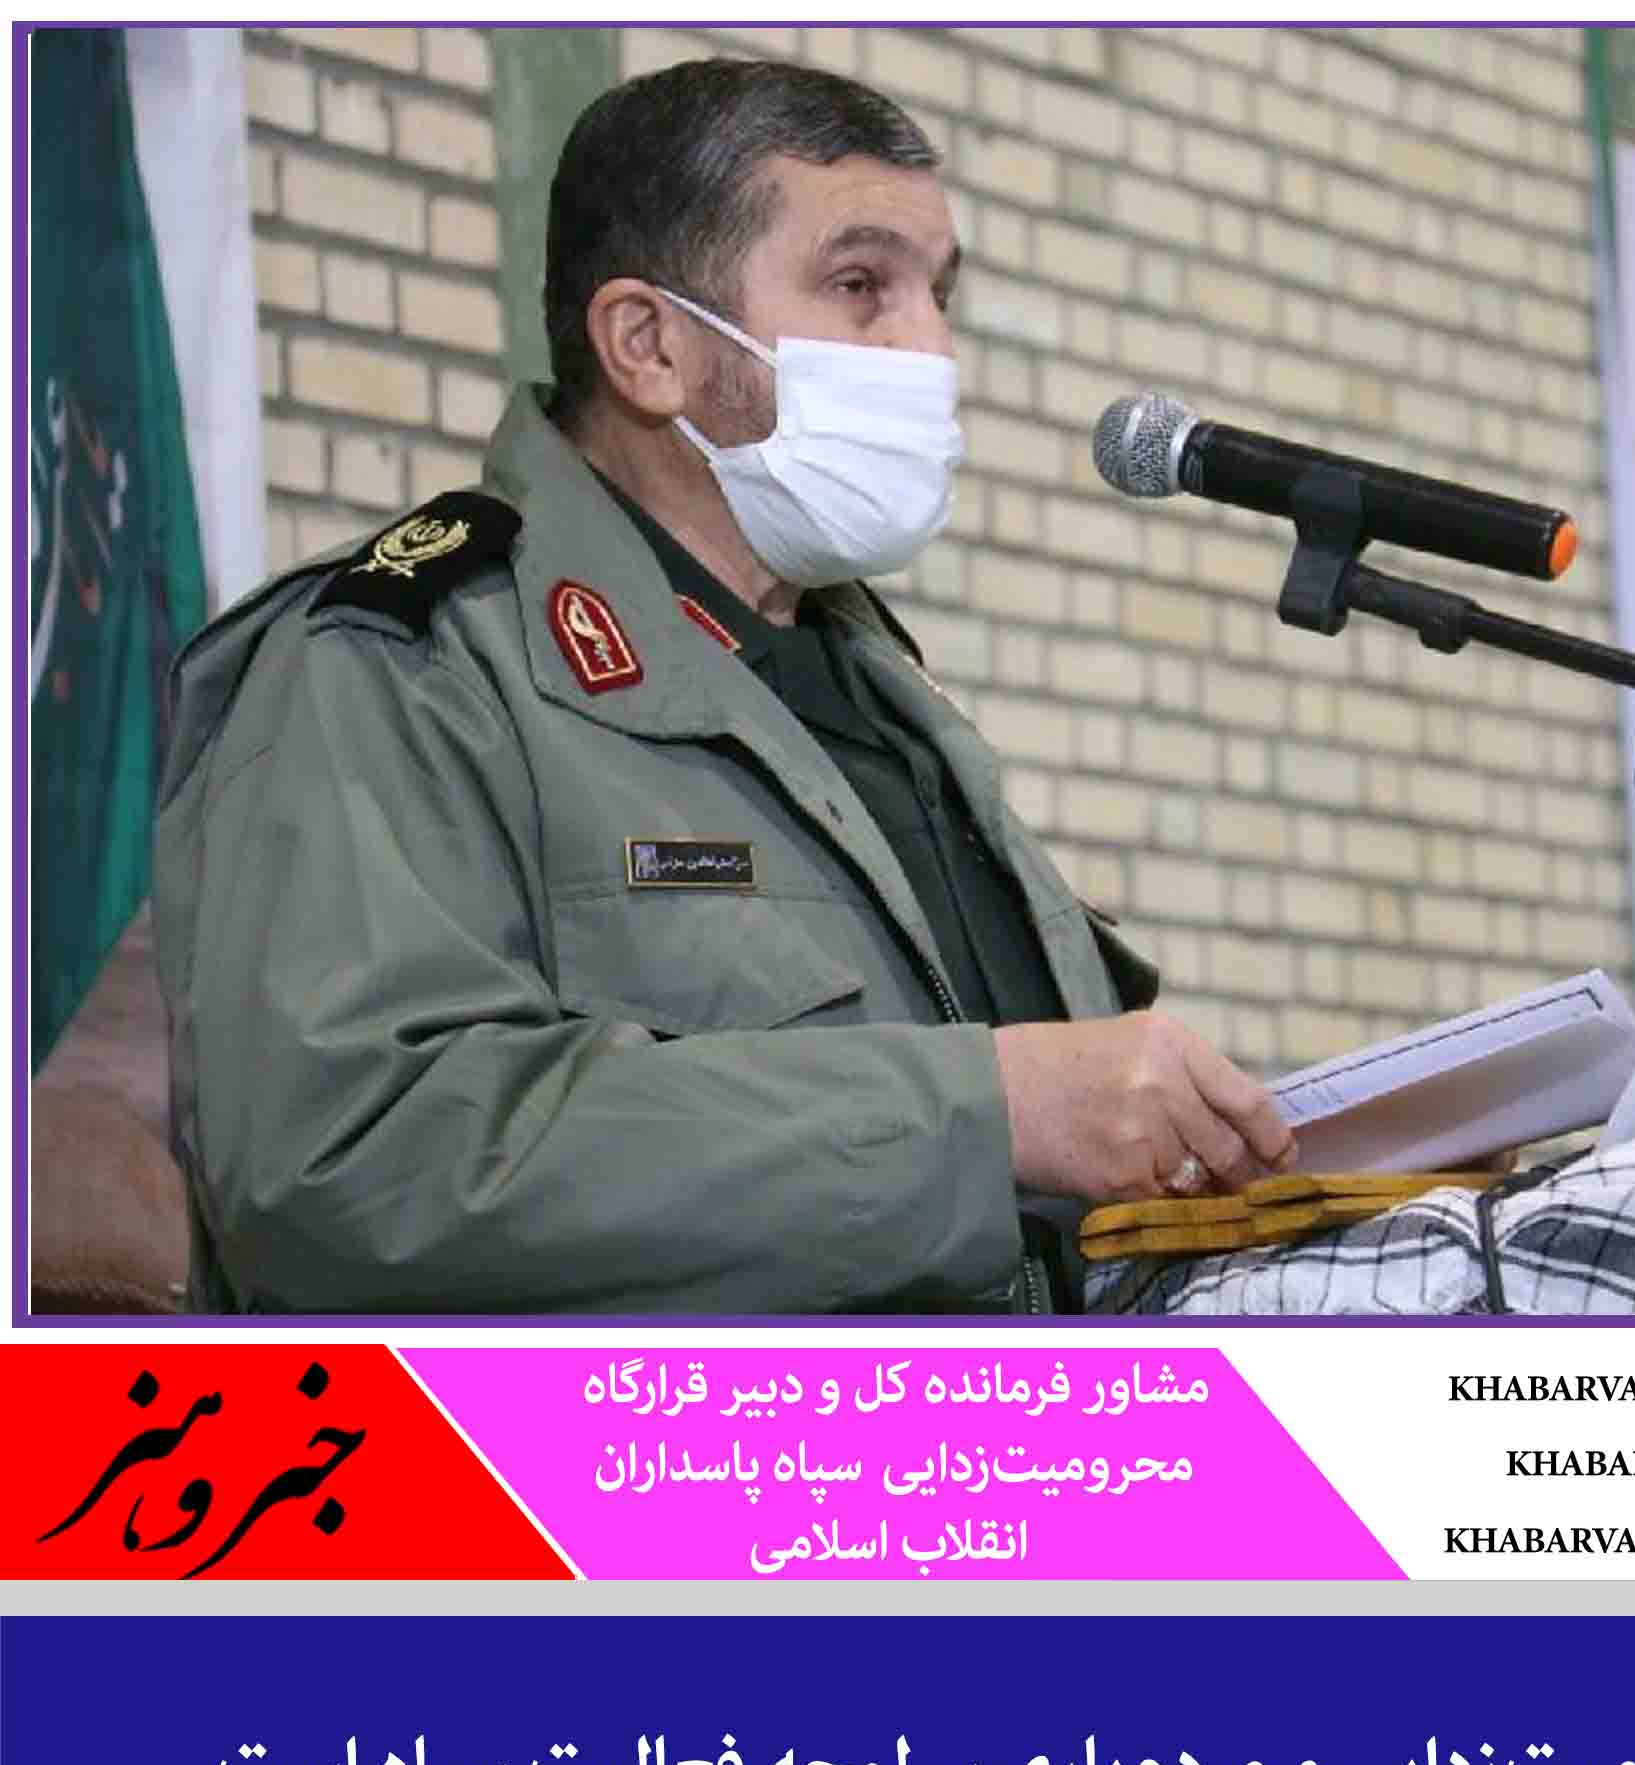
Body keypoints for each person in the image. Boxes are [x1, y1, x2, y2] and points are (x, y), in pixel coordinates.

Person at [152, 58, 1297, 1315]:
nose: (929, 347)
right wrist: (981, 1114)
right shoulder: (404, 661)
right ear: (649, 346)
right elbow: (350, 1162)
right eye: (859, 286)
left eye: (937, 293)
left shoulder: (879, 694)